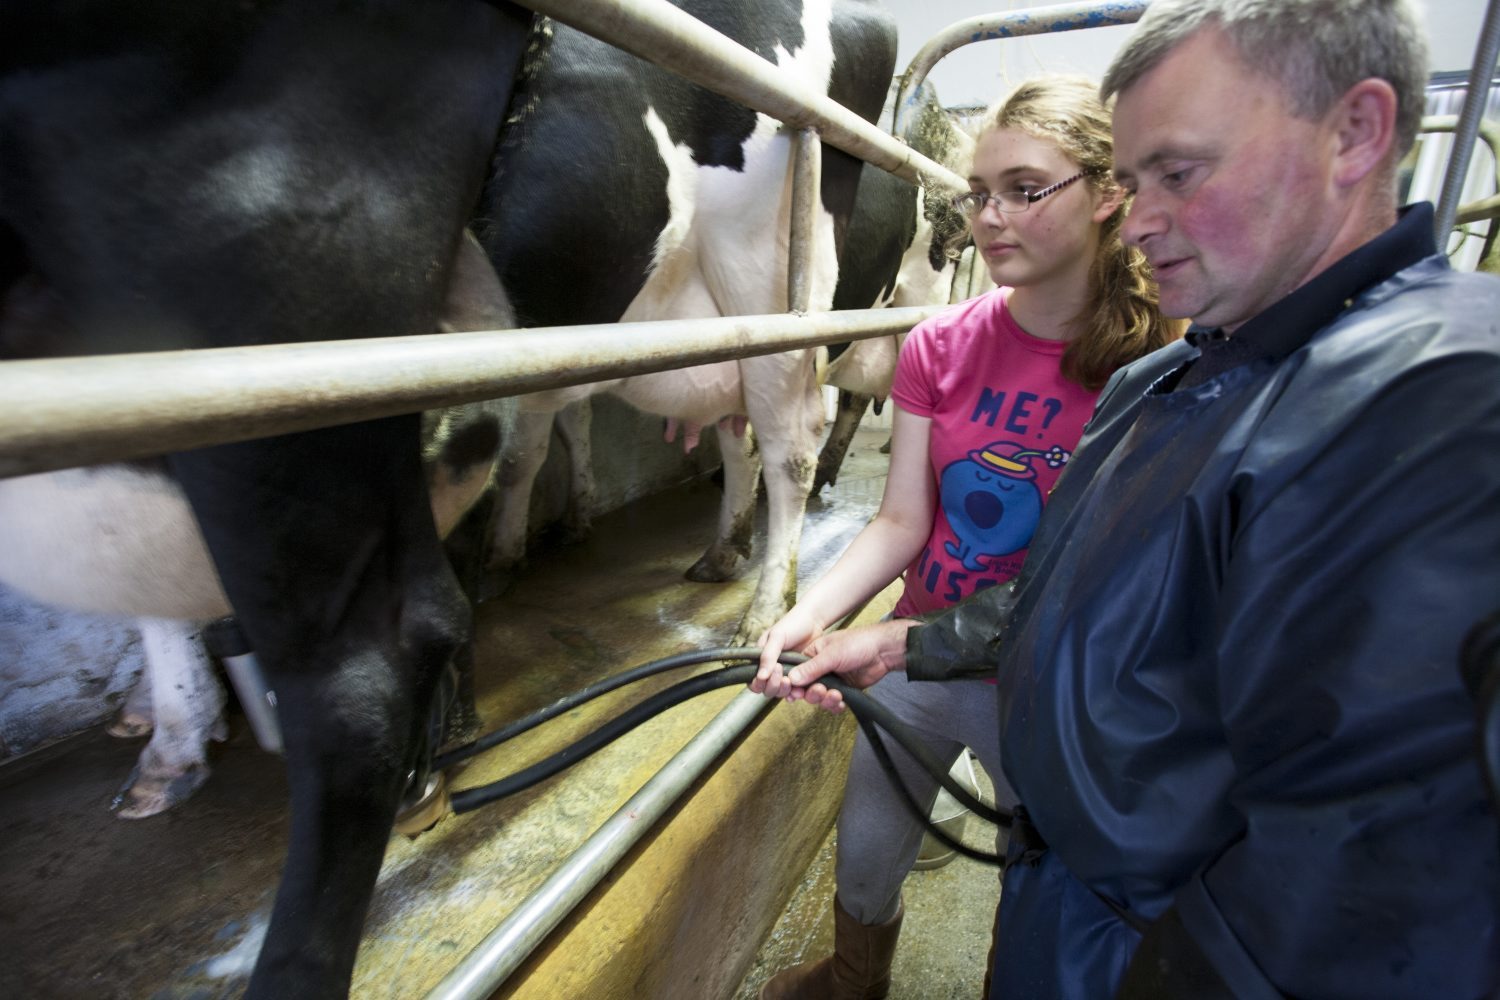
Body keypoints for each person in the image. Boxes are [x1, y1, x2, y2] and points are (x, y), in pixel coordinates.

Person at [759, 1, 1500, 997]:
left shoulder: (1443, 400)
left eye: (1179, 175)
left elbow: (1375, 866)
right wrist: (899, 640)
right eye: (1137, 178)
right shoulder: (1177, 377)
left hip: (1153, 941)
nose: (1144, 215)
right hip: (1073, 890)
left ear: (1356, 133)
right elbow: (1080, 597)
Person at [751, 75, 1181, 999]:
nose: (990, 216)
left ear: (1109, 194)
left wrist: (884, 642)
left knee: (1043, 877)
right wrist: (810, 614)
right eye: (979, 193)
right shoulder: (938, 344)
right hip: (914, 658)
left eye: (1025, 190)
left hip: (1043, 686)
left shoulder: (1153, 368)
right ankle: (854, 980)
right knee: (865, 855)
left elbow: (1100, 582)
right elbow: (902, 520)